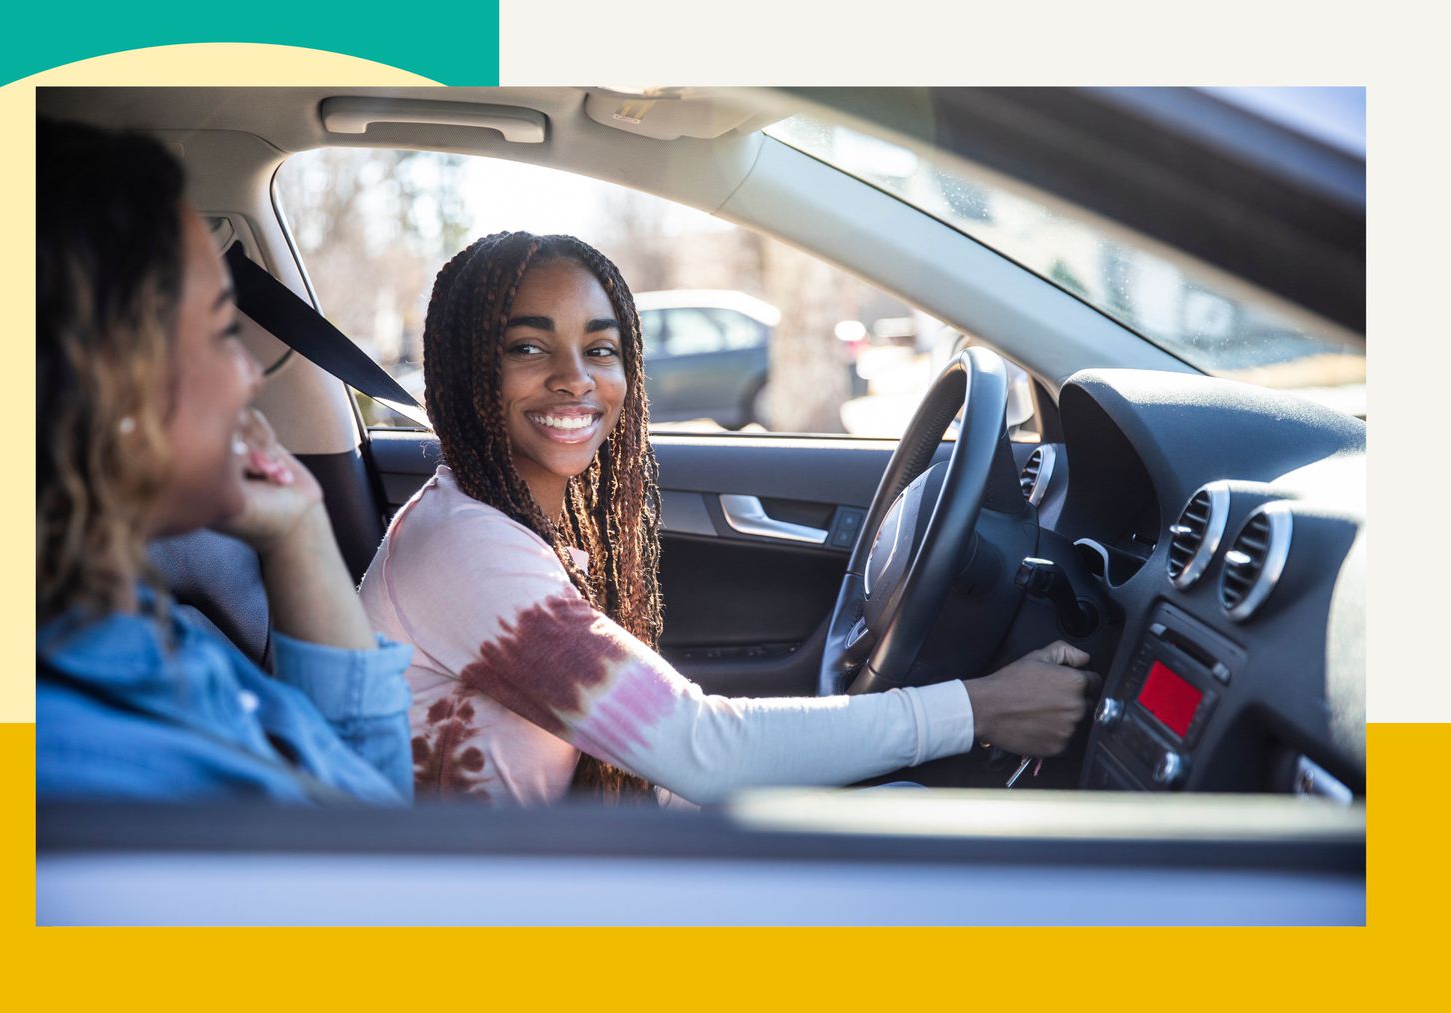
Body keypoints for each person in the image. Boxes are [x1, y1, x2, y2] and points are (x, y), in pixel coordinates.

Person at [358, 231, 1093, 806]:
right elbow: (698, 747)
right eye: (528, 346)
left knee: (898, 820)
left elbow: (673, 767)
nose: (575, 377)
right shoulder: (464, 547)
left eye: (601, 349)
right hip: (473, 915)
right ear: (465, 369)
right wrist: (980, 709)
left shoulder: (496, 524)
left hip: (524, 879)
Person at [36, 118, 413, 804]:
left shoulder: (146, 628)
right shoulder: (88, 770)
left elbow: (366, 804)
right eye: (219, 332)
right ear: (107, 381)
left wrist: (295, 526)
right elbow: (371, 844)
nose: (248, 376)